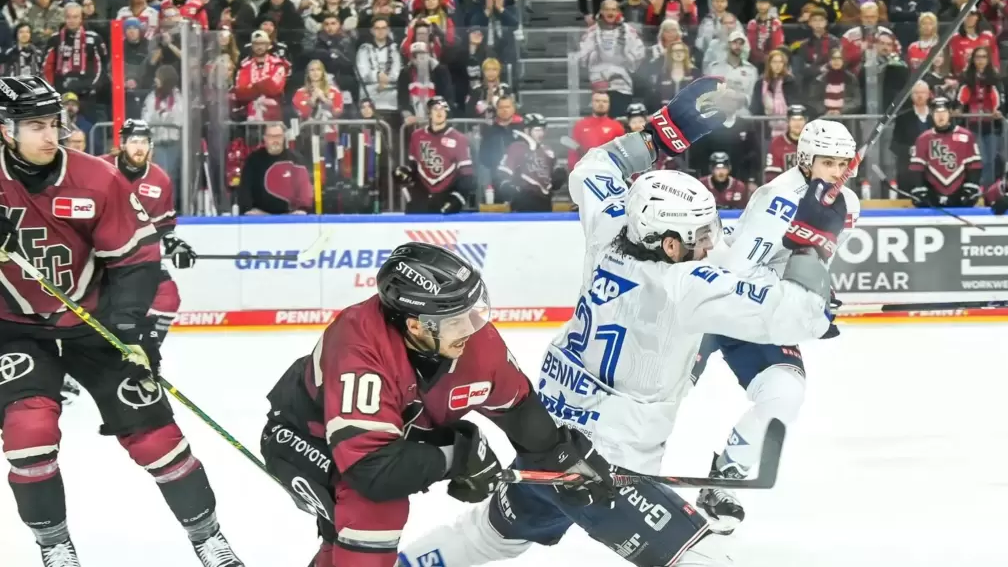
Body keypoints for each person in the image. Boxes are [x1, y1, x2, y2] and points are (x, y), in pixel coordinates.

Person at [399, 76, 838, 567]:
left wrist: (661, 134)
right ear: (670, 244)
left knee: (489, 536)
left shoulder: (609, 228)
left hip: (547, 442)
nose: (711, 244)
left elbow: (594, 166)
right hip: (608, 471)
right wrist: (813, 240)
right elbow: (803, 316)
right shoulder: (686, 286)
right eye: (699, 235)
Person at [0, 76, 243, 567]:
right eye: (35, 126)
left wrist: (131, 329)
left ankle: (208, 538)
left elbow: (136, 260)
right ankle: (55, 545)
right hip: (16, 330)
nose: (51, 136)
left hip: (95, 323)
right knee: (29, 434)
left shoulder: (97, 178)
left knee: (159, 436)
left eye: (54, 124)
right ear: (6, 130)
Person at [261, 242, 612, 567]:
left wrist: (563, 459)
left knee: (339, 541)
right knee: (373, 511)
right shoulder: (359, 348)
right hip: (308, 437)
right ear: (416, 325)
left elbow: (520, 409)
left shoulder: (472, 343)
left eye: (473, 311)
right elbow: (371, 471)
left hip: (391, 438)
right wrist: (457, 458)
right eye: (458, 320)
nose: (472, 328)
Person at [693, 116, 860, 531]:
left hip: (760, 313)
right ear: (806, 159)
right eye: (828, 163)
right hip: (711, 304)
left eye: (843, 164)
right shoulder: (779, 197)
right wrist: (794, 300)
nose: (837, 173)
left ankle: (724, 479)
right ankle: (614, 456)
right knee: (663, 391)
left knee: (786, 391)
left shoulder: (847, 203)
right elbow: (735, 272)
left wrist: (816, 291)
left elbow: (812, 263)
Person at [100, 119, 193, 342]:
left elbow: (163, 225)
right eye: (133, 141)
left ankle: (148, 352)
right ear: (122, 143)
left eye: (144, 142)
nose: (139, 147)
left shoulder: (160, 179)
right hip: (99, 258)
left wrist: (173, 242)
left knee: (168, 297)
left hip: (138, 260)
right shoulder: (100, 169)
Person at [396, 96, 474, 213]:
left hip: (447, 192)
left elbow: (467, 175)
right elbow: (414, 167)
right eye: (435, 109)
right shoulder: (417, 136)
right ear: (429, 113)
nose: (439, 112)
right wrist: (405, 173)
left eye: (443, 109)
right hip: (422, 193)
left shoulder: (459, 139)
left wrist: (457, 198)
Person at [907, 96, 982, 207]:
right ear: (932, 115)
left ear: (950, 113)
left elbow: (974, 166)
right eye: (937, 113)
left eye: (944, 112)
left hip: (959, 193)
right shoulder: (923, 139)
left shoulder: (966, 136)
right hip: (933, 193)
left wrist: (970, 189)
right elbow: (917, 168)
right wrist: (920, 191)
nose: (940, 116)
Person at [496, 113, 567, 212]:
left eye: (542, 130)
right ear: (526, 130)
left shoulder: (547, 150)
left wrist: (559, 175)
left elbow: (555, 171)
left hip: (545, 200)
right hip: (523, 200)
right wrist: (507, 185)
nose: (541, 133)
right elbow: (504, 172)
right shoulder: (516, 147)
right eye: (537, 130)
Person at [763, 104, 807, 183]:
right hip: (786, 189)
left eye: (800, 119)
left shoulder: (814, 141)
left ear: (806, 121)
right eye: (793, 119)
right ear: (788, 121)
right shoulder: (776, 143)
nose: (797, 123)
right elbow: (771, 176)